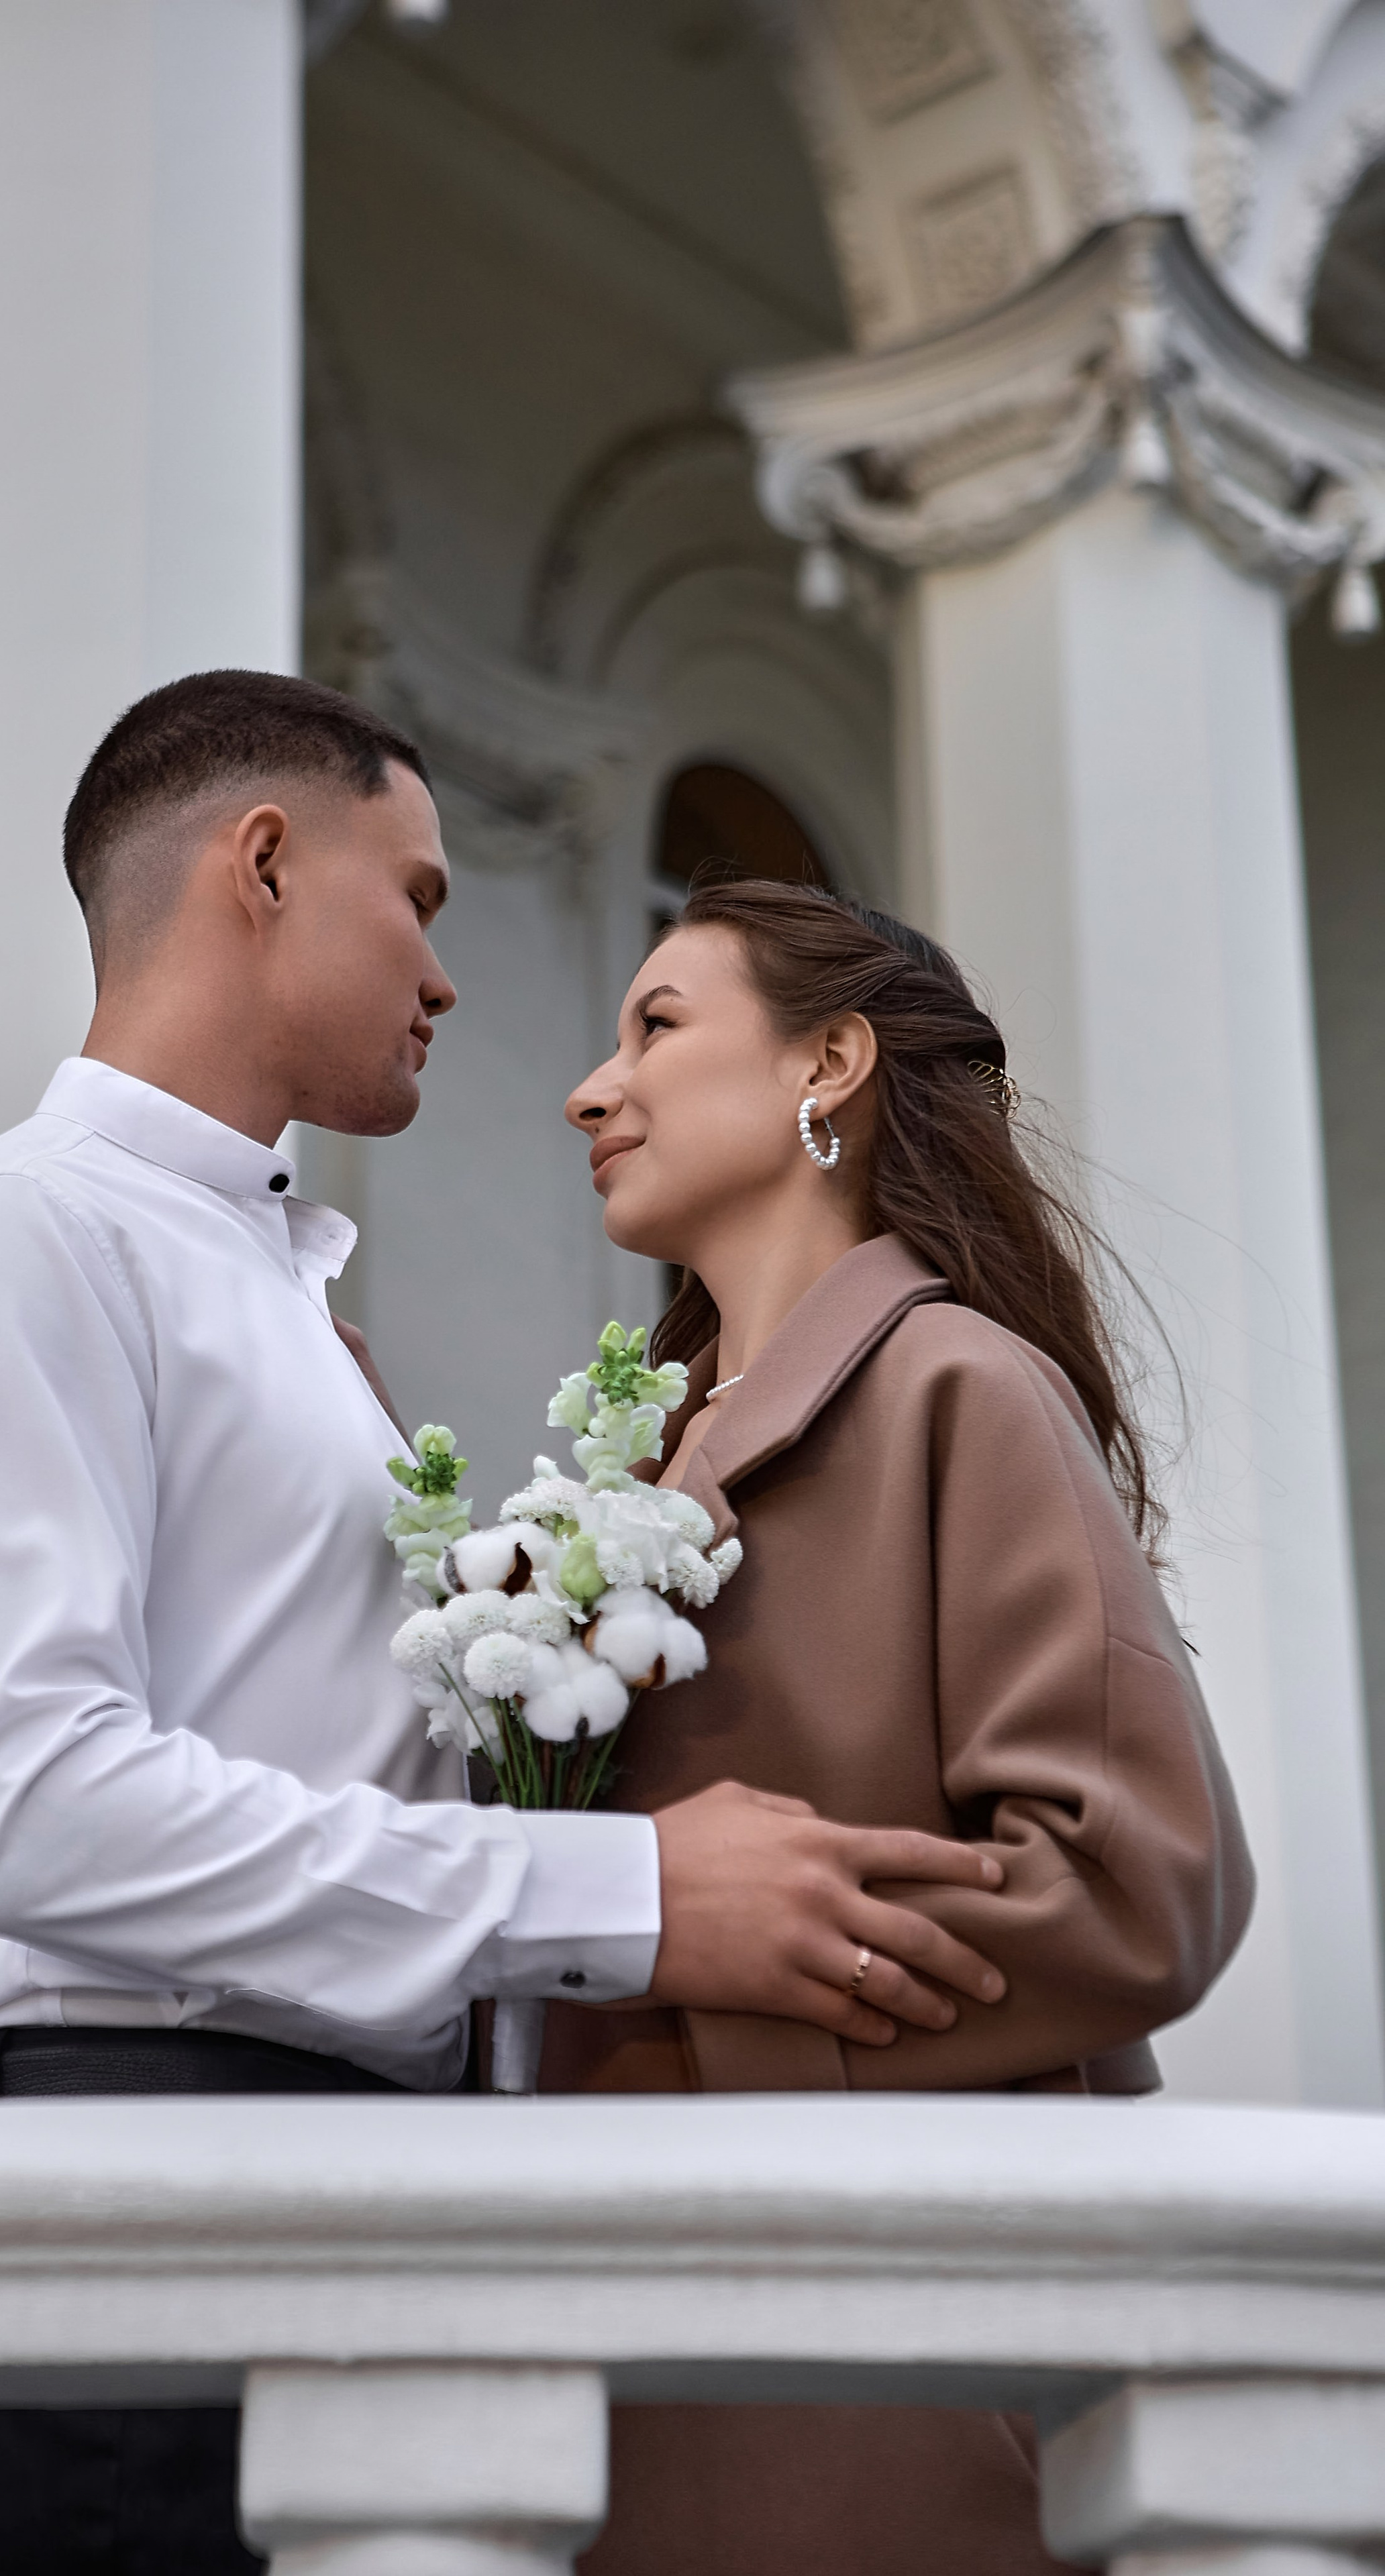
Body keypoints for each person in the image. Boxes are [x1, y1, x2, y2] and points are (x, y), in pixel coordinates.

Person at [0, 674, 1014, 2576]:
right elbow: (36, 1809)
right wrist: (632, 1894)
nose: (447, 977)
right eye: (420, 898)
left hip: (354, 2190)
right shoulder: (15, 1237)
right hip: (139, 2193)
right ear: (264, 865)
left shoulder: (273, 1302)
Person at [550, 879, 1255, 2576]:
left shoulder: (960, 1389)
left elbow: (1135, 1882)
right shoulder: (629, 1471)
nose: (589, 1087)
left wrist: (710, 2019)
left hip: (871, 2362)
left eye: (655, 1026)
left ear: (830, 1062)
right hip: (610, 2319)